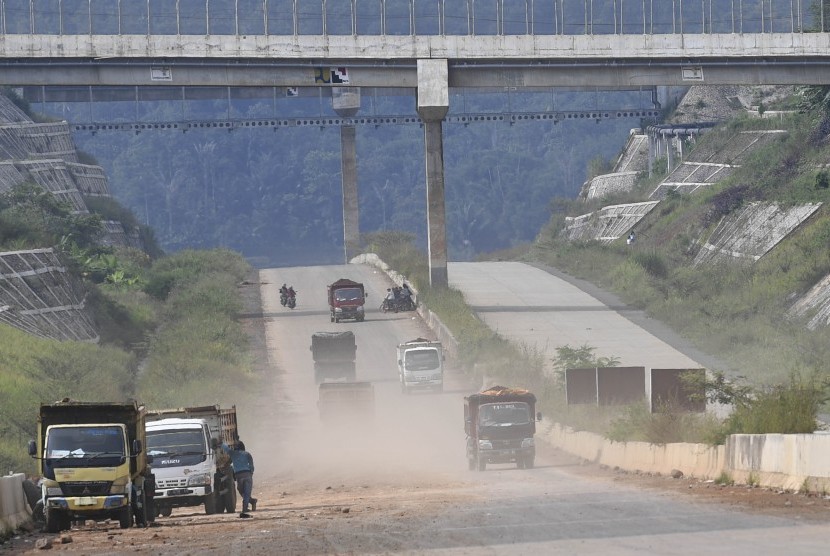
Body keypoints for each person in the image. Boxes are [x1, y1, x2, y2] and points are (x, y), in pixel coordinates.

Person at [226, 441, 257, 518]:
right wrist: (251, 473)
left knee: (241, 491)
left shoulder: (233, 455)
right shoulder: (247, 454)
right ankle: (251, 502)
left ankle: (245, 507)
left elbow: (227, 463)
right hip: (247, 474)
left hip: (239, 476)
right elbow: (251, 465)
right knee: (246, 492)